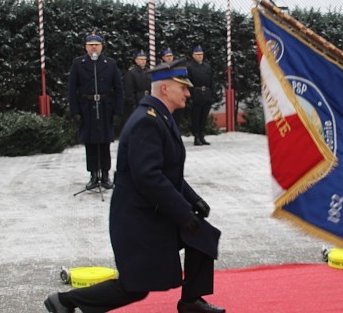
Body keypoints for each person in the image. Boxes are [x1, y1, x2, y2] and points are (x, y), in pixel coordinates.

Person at [44, 58, 225, 313]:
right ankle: (64, 301)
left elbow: (167, 172)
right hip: (139, 221)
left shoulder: (162, 116)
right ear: (164, 89)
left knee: (202, 237)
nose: (188, 92)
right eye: (183, 87)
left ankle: (191, 302)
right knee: (134, 288)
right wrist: (182, 212)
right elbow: (148, 177)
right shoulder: (147, 121)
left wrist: (192, 199)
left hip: (154, 213)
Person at [68, 32, 124, 190]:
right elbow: (72, 89)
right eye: (90, 45)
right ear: (86, 47)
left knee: (105, 142)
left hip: (106, 107)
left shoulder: (110, 63)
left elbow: (119, 89)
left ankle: (105, 175)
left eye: (97, 45)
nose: (94, 47)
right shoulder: (79, 63)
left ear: (102, 47)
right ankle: (93, 174)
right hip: (87, 108)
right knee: (90, 143)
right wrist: (75, 112)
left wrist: (118, 112)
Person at [187, 45, 215, 146]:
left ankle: (202, 135)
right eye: (198, 54)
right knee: (196, 117)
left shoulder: (207, 66)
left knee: (204, 117)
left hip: (206, 93)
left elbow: (212, 81)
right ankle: (196, 137)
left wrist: (212, 94)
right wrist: (191, 95)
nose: (200, 56)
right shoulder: (190, 66)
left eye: (201, 54)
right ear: (193, 55)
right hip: (196, 94)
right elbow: (188, 82)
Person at [121, 50, 151, 133]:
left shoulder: (148, 71)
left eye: (144, 59)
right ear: (136, 60)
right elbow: (129, 90)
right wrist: (133, 104)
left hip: (148, 101)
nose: (143, 61)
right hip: (137, 101)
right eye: (141, 59)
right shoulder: (131, 73)